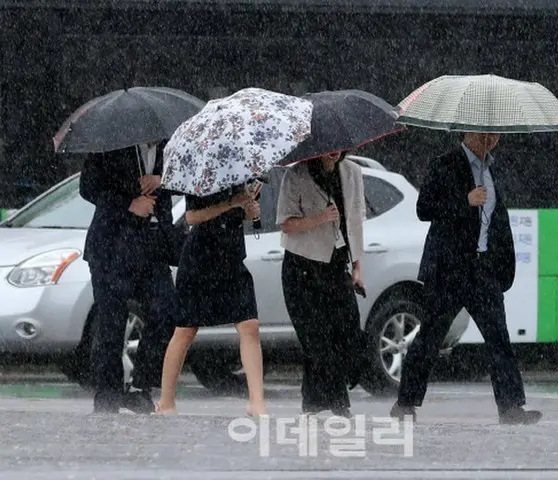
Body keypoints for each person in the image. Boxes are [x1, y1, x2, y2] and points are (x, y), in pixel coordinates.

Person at [390, 132, 543, 425]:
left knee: (498, 336)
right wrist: (465, 201)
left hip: (483, 268)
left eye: (495, 133)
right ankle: (405, 402)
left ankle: (511, 407)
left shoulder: (493, 168)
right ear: (467, 132)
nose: (491, 138)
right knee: (432, 335)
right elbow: (425, 209)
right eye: (484, 132)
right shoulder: (445, 164)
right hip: (450, 268)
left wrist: (499, 261)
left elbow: (497, 217)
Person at [79, 140, 179, 414]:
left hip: (152, 245)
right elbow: (88, 188)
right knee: (111, 321)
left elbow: (188, 181)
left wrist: (163, 179)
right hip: (112, 245)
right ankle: (108, 394)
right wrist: (128, 203)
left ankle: (140, 387)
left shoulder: (169, 150)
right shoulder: (111, 145)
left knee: (166, 311)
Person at [155, 185, 267, 417]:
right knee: (185, 330)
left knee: (249, 325)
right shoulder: (202, 175)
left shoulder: (243, 177)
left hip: (232, 259)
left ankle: (257, 402)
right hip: (199, 261)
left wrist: (250, 211)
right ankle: (166, 401)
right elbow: (192, 216)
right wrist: (232, 203)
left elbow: (241, 213)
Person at [276, 152, 367, 418]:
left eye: (338, 146)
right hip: (302, 267)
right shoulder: (297, 174)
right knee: (317, 340)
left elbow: (355, 222)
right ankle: (336, 403)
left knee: (345, 332)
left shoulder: (352, 172)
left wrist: (358, 265)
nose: (333, 151)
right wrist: (320, 218)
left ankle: (314, 402)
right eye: (327, 147)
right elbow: (286, 224)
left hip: (336, 264)